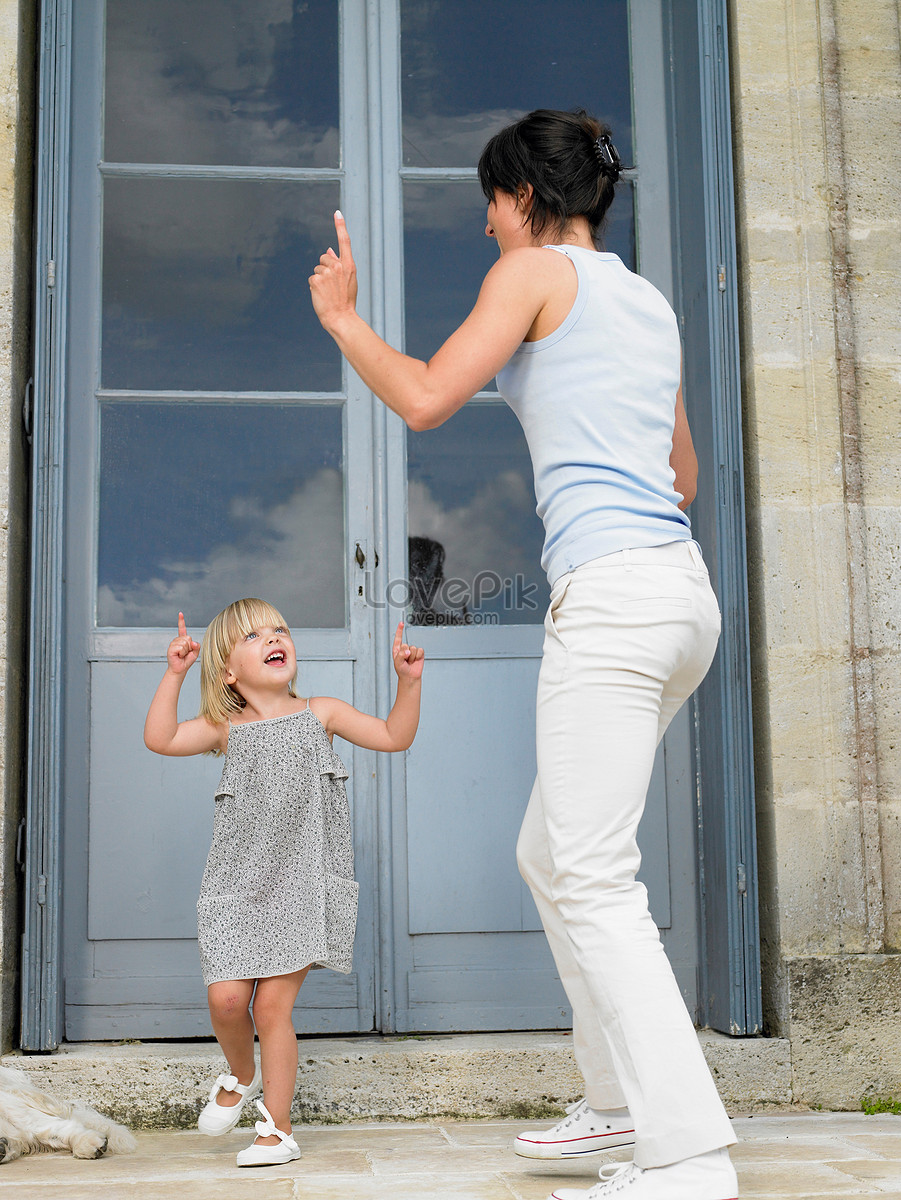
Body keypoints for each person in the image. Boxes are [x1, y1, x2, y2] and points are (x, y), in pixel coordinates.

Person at [309, 109, 738, 1200]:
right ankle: (611, 1104)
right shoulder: (645, 300)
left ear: (530, 200)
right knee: (553, 857)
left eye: (492, 203)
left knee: (592, 876)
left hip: (615, 601)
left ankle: (686, 1154)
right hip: (677, 594)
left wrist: (342, 317)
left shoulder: (537, 271)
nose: (490, 223)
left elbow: (422, 396)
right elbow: (681, 476)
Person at [144, 599, 424, 1167]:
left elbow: (395, 736)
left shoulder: (321, 712)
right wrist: (173, 672)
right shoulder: (225, 728)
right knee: (227, 1001)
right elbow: (161, 738)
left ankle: (277, 1130)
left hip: (301, 884)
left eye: (280, 630)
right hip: (236, 885)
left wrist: (409, 682)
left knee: (272, 1010)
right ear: (227, 669)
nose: (274, 638)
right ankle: (241, 1072)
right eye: (254, 636)